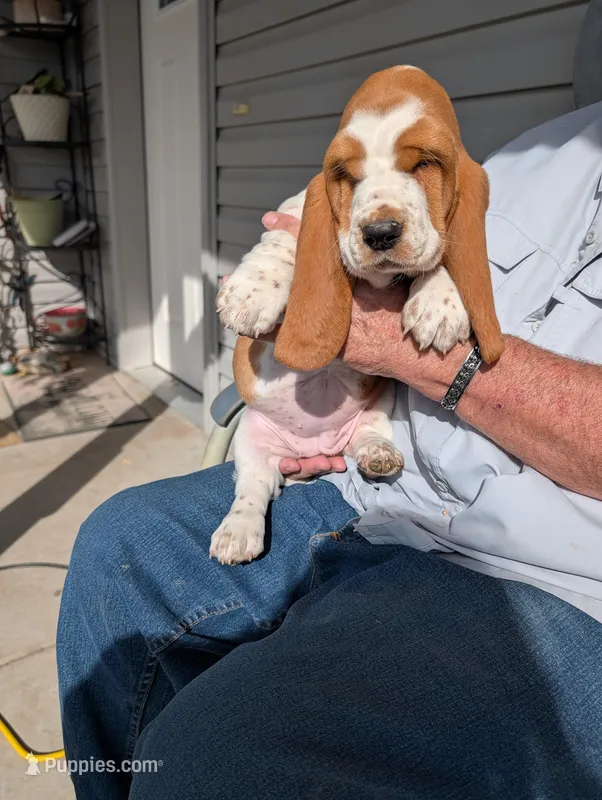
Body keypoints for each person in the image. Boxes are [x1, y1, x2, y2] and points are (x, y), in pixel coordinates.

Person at [58, 103, 602, 800]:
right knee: (118, 543)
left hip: (544, 576)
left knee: (215, 758)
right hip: (376, 486)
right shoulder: (539, 154)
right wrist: (292, 260)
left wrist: (391, 345)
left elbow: (386, 321)